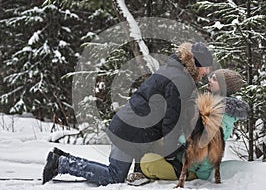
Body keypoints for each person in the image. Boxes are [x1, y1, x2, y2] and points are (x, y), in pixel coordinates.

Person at [42, 41, 214, 185]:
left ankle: (63, 158)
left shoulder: (174, 72)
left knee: (120, 173)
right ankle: (61, 163)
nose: (207, 72)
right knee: (114, 176)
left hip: (134, 129)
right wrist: (171, 156)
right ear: (195, 64)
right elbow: (171, 121)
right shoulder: (180, 79)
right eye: (205, 67)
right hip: (129, 132)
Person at [137, 69, 250, 182]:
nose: (209, 80)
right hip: (183, 155)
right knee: (152, 139)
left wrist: (177, 139)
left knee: (147, 162)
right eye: (211, 77)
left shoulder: (222, 115)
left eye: (215, 79)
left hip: (194, 168)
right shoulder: (211, 103)